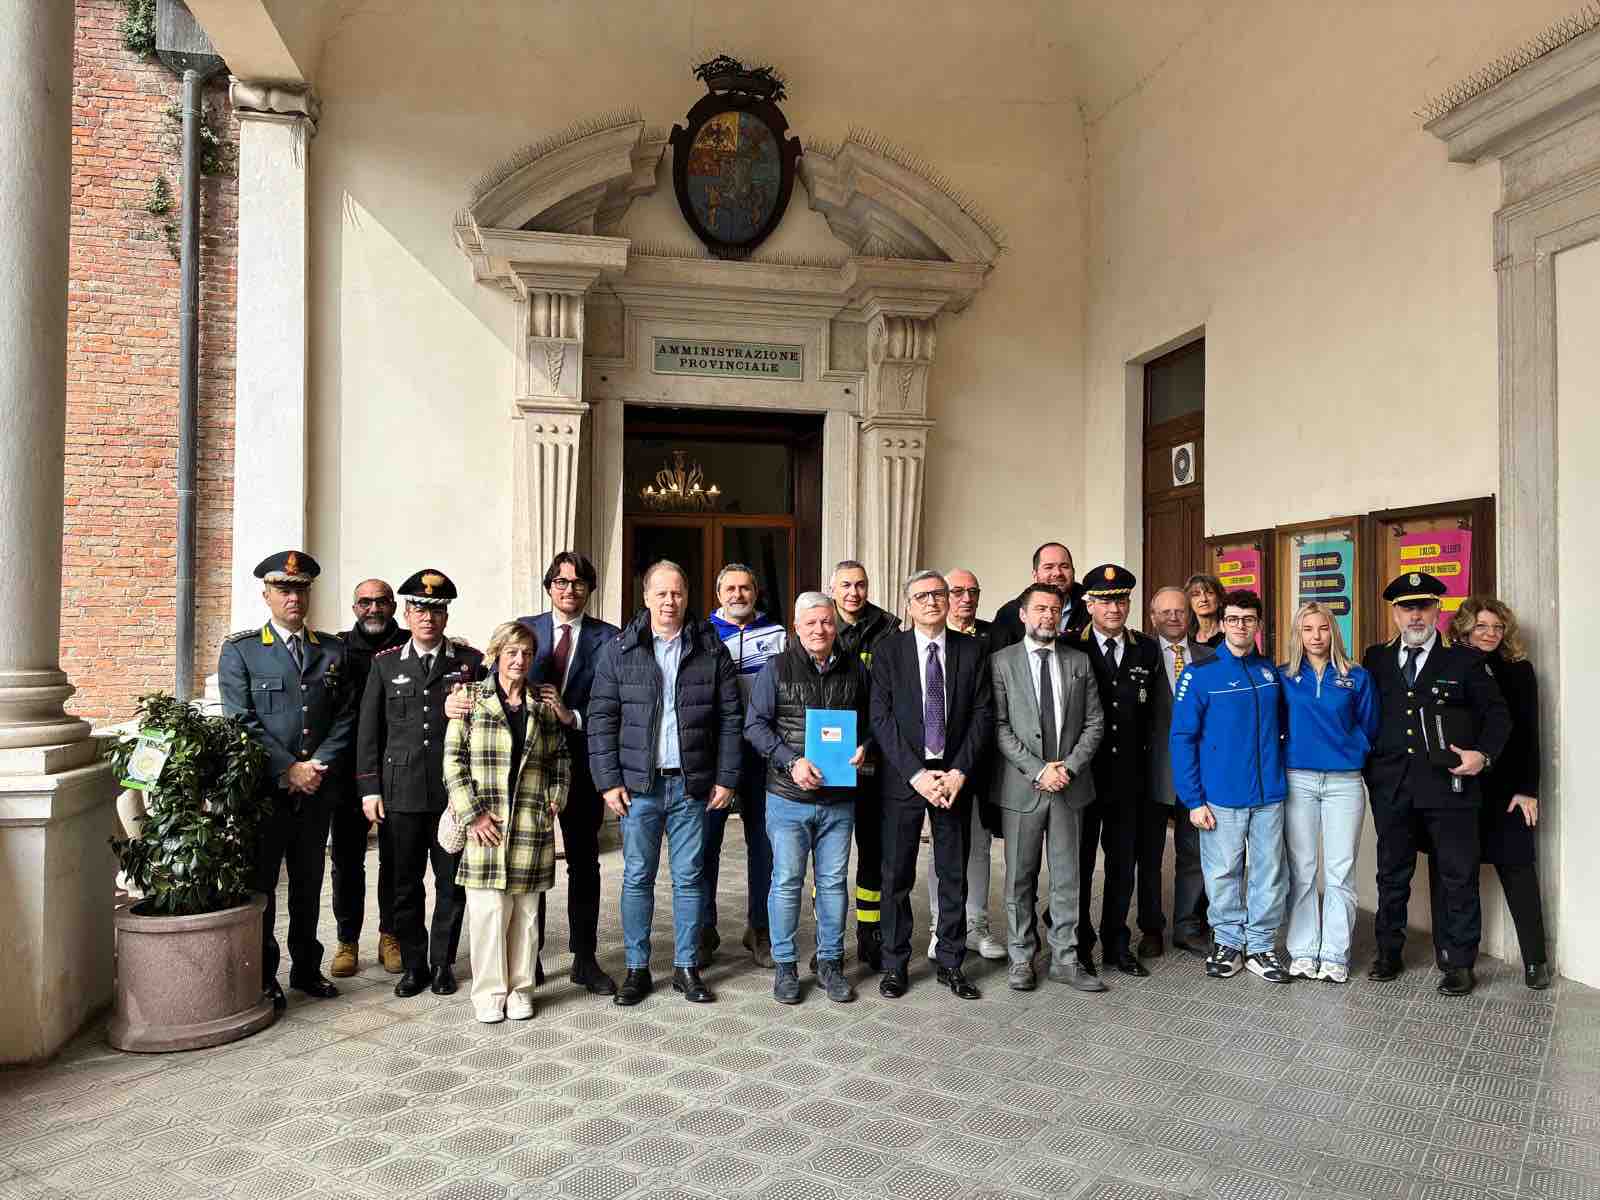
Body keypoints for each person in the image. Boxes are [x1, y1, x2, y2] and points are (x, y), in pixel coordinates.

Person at [588, 560, 743, 1007]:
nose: (669, 601)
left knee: (691, 878)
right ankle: (637, 968)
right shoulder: (620, 650)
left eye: (676, 593)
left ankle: (686, 966)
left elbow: (731, 719)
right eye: (661, 593)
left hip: (692, 786)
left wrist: (727, 778)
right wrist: (608, 782)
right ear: (646, 597)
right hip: (639, 787)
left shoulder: (711, 649)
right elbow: (601, 719)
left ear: (687, 596)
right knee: (638, 875)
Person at [217, 551, 356, 1010]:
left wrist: (315, 767)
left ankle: (306, 968)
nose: (293, 597)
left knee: (308, 882)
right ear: (267, 595)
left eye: (300, 589)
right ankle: (265, 973)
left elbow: (345, 717)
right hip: (266, 791)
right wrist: (287, 769)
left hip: (316, 789)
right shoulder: (242, 650)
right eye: (284, 589)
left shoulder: (332, 650)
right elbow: (242, 721)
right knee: (264, 885)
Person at [1363, 572, 1509, 995]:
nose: (1415, 615)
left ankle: (1459, 962)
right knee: (1391, 874)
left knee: (1458, 875)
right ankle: (1388, 952)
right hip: (1392, 787)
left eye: (1423, 606)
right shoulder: (1375, 659)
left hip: (1451, 787)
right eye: (1407, 607)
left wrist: (1483, 756)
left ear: (1437, 610)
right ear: (1394, 613)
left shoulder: (1465, 661)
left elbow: (1498, 716)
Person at [356, 569, 484, 998]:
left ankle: (442, 962)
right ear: (406, 614)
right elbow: (369, 732)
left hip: (452, 795)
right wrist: (369, 788)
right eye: (419, 609)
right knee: (404, 883)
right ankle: (414, 965)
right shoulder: (386, 664)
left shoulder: (468, 663)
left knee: (452, 884)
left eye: (437, 610)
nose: (428, 617)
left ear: (445, 616)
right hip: (401, 792)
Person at [871, 569, 994, 1001]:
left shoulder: (973, 650)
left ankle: (951, 961)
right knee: (896, 875)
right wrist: (917, 775)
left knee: (952, 873)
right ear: (908, 605)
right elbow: (881, 719)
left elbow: (983, 714)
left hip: (954, 776)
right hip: (906, 777)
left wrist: (959, 771)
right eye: (921, 596)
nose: (932, 602)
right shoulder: (888, 651)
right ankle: (895, 963)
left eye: (939, 594)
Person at [743, 592, 870, 1004]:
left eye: (827, 622)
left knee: (833, 884)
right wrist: (791, 761)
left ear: (836, 625)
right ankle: (785, 966)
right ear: (797, 627)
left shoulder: (855, 669)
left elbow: (873, 721)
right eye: (811, 623)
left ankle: (831, 962)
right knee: (786, 882)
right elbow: (755, 726)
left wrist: (866, 746)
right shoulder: (776, 668)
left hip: (838, 801)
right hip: (788, 798)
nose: (820, 629)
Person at [444, 621, 570, 1023]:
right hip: (488, 822)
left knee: (527, 915)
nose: (519, 660)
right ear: (495, 654)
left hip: (532, 822)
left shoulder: (542, 703)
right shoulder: (471, 699)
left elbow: (560, 757)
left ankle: (520, 990)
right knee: (488, 913)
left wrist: (555, 797)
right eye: (512, 652)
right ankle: (489, 993)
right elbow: (453, 761)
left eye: (527, 654)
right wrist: (473, 814)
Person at [1170, 589, 1291, 983]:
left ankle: (1260, 946)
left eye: (1249, 620)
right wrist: (1192, 799)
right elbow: (1182, 737)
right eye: (1234, 620)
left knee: (1269, 873)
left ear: (1259, 625)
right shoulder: (1199, 674)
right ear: (1222, 625)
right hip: (1220, 798)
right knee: (1222, 872)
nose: (1241, 627)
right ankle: (1226, 942)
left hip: (1268, 795)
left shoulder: (1270, 673)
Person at [515, 551, 621, 996]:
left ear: (589, 589)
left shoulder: (611, 639)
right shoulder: (524, 630)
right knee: (531, 863)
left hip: (582, 762)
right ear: (549, 587)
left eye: (578, 583)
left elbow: (614, 707)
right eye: (560, 582)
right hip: (531, 765)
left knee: (584, 863)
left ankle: (584, 957)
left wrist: (572, 715)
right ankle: (528, 958)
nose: (569, 589)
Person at [989, 584, 1105, 992]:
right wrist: (1038, 770)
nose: (1048, 616)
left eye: (1055, 609)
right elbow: (999, 727)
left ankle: (1066, 959)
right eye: (1040, 609)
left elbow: (1095, 723)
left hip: (1070, 788)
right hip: (1023, 788)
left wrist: (1068, 769)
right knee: (1019, 877)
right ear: (1023, 614)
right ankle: (1021, 957)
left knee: (1067, 877)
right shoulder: (1001, 662)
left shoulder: (1079, 662)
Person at [1451, 597, 1549, 989]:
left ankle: (1535, 961)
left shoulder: (1519, 671)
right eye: (1481, 627)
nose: (1491, 634)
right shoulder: (1448, 665)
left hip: (1508, 789)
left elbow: (1528, 733)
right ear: (1463, 629)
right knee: (1458, 878)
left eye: (1497, 627)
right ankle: (1458, 963)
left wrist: (1527, 789)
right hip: (1461, 787)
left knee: (1519, 871)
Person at [1279, 601, 1378, 984]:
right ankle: (1303, 951)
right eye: (1307, 629)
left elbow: (1369, 726)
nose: (1316, 636)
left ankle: (1335, 953)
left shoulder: (1356, 676)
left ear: (1333, 632)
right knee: (1302, 870)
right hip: (1298, 780)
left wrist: (1351, 749)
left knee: (1340, 871)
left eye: (1322, 629)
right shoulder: (1285, 676)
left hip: (1344, 783)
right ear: (1298, 634)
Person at [1075, 564, 1162, 977]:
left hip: (1130, 777)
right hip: (1084, 777)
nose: (1115, 607)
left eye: (1122, 599)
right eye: (1106, 600)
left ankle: (1116, 942)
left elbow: (1157, 714)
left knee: (1122, 863)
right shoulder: (1071, 647)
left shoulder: (1147, 649)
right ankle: (1078, 942)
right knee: (1078, 863)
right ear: (1088, 603)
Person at [702, 562, 786, 969]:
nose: (738, 595)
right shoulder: (700, 634)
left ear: (756, 593)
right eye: (730, 588)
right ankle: (703, 929)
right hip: (712, 756)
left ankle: (760, 928)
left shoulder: (779, 636)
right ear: (718, 594)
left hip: (762, 754)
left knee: (764, 844)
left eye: (746, 588)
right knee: (705, 845)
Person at [329, 578, 407, 978]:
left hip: (399, 771)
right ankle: (347, 940)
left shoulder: (411, 644)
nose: (373, 609)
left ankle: (390, 935)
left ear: (393, 605)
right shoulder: (337, 649)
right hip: (348, 775)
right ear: (354, 607)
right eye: (365, 603)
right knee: (346, 860)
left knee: (395, 860)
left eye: (381, 602)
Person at [926, 567, 1003, 961]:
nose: (966, 598)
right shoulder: (929, 638)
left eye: (973, 591)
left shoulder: (992, 637)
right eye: (957, 591)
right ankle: (940, 926)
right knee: (941, 847)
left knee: (978, 845)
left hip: (976, 760)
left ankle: (976, 924)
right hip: (930, 761)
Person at [829, 559, 898, 969]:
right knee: (830, 852)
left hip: (875, 758)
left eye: (860, 585)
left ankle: (869, 932)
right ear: (832, 589)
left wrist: (873, 743)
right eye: (846, 585)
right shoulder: (818, 623)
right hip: (831, 759)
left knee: (873, 851)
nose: (853, 592)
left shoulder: (888, 627)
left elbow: (891, 694)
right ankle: (829, 932)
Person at [1145, 585, 1212, 954]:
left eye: (1180, 611)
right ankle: (1152, 928)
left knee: (1194, 852)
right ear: (1153, 617)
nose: (1173, 617)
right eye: (1165, 612)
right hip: (1150, 773)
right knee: (1150, 857)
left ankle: (1187, 926)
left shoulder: (1210, 658)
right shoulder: (1140, 654)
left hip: (1196, 776)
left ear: (1190, 616)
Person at [990, 542, 1088, 653]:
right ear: (1035, 575)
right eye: (1049, 567)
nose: (1057, 573)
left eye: (1064, 566)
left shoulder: (1092, 606)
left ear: (1073, 571)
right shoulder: (1009, 614)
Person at [1185, 572, 1225, 649]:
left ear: (1220, 599)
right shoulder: (1184, 639)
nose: (1203, 599)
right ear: (1189, 602)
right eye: (1196, 594)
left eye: (1210, 593)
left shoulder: (1232, 636)